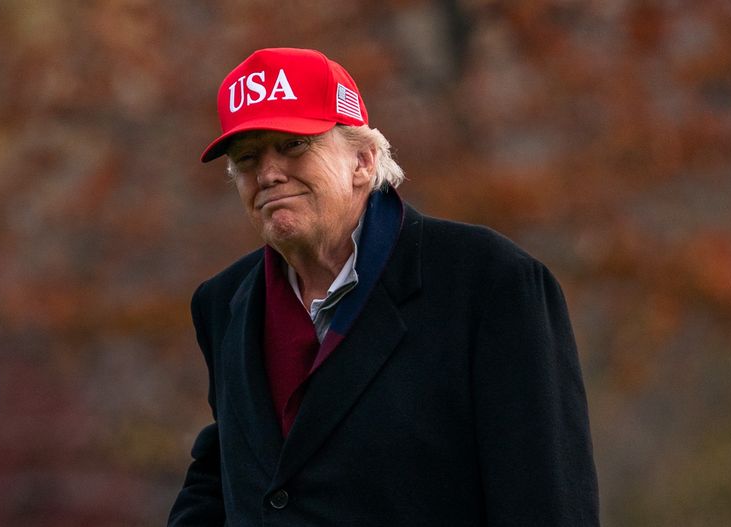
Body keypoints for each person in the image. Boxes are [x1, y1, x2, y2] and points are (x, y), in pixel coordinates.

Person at [168, 47, 599, 526]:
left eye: (293, 145)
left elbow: (545, 500)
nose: (267, 173)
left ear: (364, 160)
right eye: (247, 157)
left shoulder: (488, 283)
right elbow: (227, 472)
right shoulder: (224, 303)